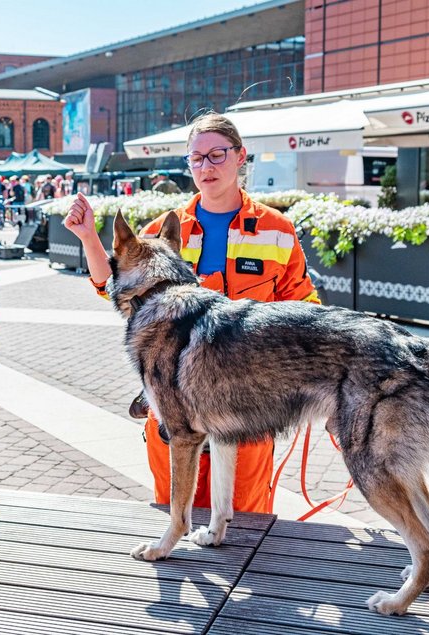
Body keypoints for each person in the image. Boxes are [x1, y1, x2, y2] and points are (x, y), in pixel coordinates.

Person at [63, 112, 319, 514]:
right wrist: (89, 238)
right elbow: (112, 288)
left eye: (217, 155)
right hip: (174, 409)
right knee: (176, 520)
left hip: (245, 409)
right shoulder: (165, 231)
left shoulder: (277, 230)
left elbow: (306, 313)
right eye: (196, 159)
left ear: (240, 157)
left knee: (245, 524)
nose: (207, 167)